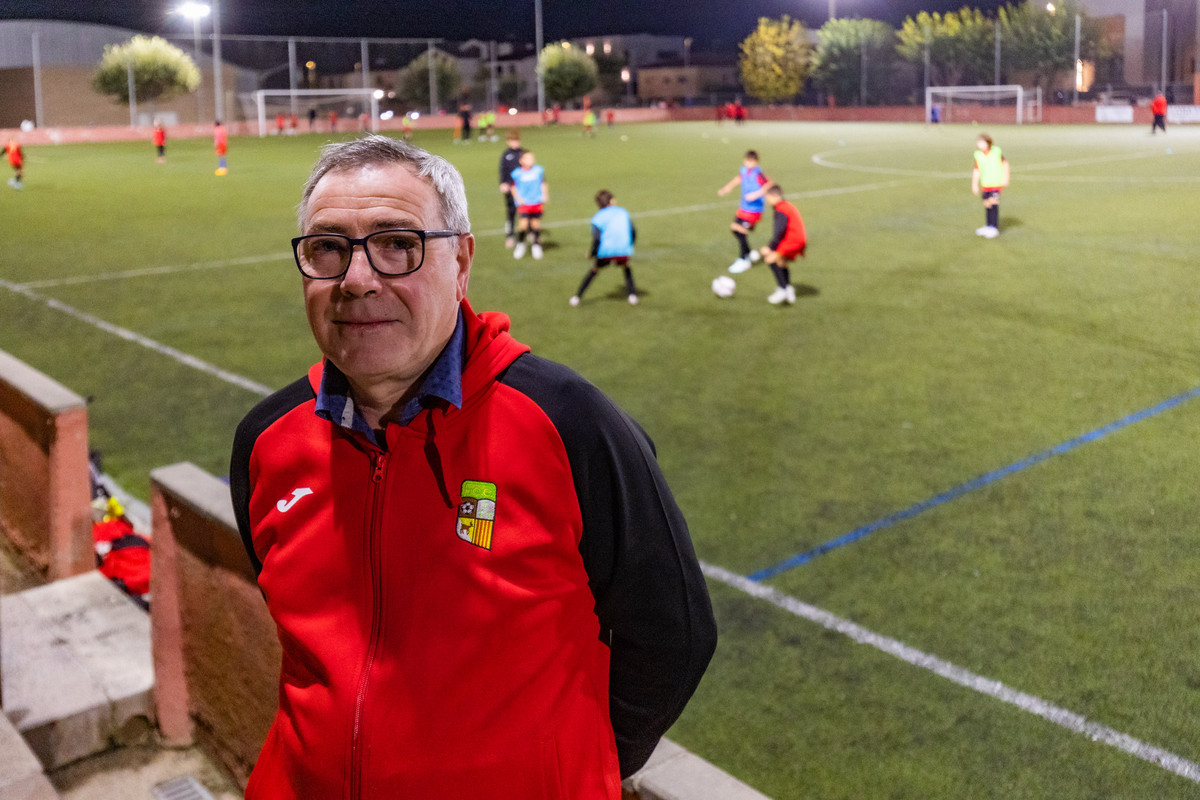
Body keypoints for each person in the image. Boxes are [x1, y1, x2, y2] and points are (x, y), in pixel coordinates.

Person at [229, 135, 716, 800]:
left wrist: (567, 767)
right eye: (327, 248)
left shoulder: (569, 423)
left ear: (460, 261)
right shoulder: (266, 442)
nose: (358, 279)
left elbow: (673, 635)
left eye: (397, 243)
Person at [571, 190, 638, 307]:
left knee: (594, 270)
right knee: (626, 267)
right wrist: (630, 244)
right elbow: (633, 230)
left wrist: (593, 253)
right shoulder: (623, 212)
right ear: (611, 201)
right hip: (623, 249)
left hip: (605, 251)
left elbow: (597, 239)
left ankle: (577, 297)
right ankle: (632, 296)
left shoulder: (597, 218)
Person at [717, 150, 773, 273]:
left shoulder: (758, 174)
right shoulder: (743, 170)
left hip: (754, 210)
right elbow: (738, 179)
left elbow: (769, 184)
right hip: (744, 207)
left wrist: (755, 194)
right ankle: (748, 252)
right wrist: (727, 188)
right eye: (748, 160)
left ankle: (744, 260)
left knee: (741, 231)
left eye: (752, 161)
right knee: (735, 229)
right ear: (744, 160)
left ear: (756, 162)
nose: (749, 163)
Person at [759, 185, 806, 306]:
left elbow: (779, 230)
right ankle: (788, 290)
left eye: (767, 197)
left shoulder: (781, 209)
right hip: (798, 239)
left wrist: (770, 247)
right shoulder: (786, 206)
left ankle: (783, 289)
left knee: (770, 259)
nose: (766, 200)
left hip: (793, 240)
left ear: (775, 196)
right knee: (781, 261)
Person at [971, 133, 1009, 239]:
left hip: (996, 184)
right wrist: (974, 184)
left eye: (981, 142)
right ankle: (988, 226)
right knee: (987, 204)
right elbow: (976, 170)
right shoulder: (978, 155)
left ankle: (993, 227)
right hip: (986, 184)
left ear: (988, 143)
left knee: (993, 203)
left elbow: (1005, 164)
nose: (979, 144)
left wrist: (1005, 178)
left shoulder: (996, 152)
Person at [510, 149, 547, 260]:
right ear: (521, 160)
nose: (532, 160)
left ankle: (536, 245)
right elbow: (513, 187)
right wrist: (518, 198)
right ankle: (521, 244)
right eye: (528, 158)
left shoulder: (538, 171)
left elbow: (543, 183)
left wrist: (544, 195)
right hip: (524, 203)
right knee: (523, 225)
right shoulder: (517, 173)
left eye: (532, 158)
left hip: (536, 202)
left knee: (535, 224)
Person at [498, 129, 524, 248]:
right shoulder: (506, 155)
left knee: (524, 212)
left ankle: (526, 232)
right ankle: (510, 235)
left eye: (517, 140)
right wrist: (503, 183)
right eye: (513, 141)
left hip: (522, 188)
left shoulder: (523, 154)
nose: (515, 143)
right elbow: (503, 170)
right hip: (510, 188)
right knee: (511, 212)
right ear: (508, 142)